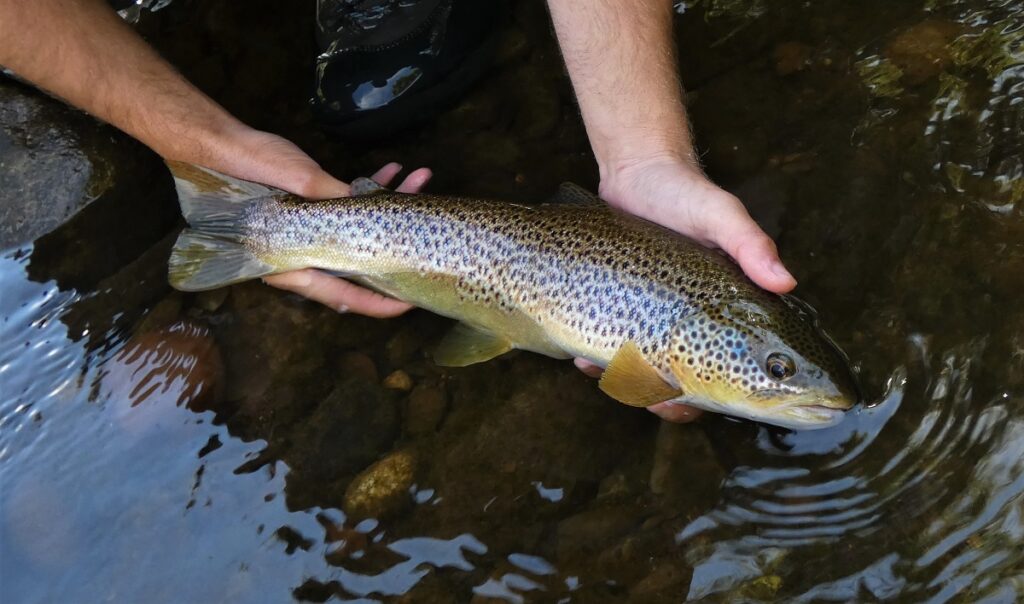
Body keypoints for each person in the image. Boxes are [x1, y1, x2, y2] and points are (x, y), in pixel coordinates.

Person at [0, 0, 796, 423]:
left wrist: (645, 154)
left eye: (775, 370)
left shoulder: (683, 338)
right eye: (775, 370)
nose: (788, 386)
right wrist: (191, 134)